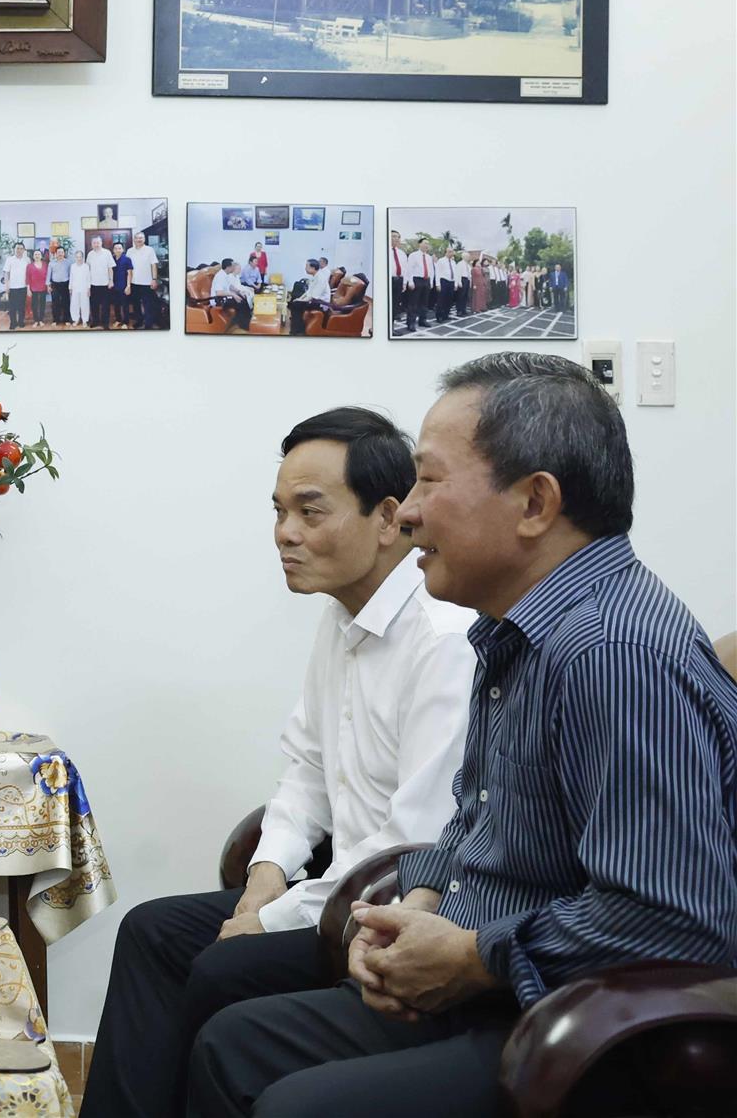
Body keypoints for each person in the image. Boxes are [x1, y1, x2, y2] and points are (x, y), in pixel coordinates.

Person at [188, 354, 737, 1118]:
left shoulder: (611, 652)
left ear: (534, 503)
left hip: (565, 1022)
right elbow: (470, 819)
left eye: (429, 481)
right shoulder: (510, 629)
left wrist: (475, 958)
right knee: (231, 1041)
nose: (406, 512)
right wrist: (410, 916)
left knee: (294, 1103)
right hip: (486, 980)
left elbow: (671, 916)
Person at [86, 407, 474, 1118]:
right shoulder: (342, 618)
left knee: (221, 966)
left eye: (310, 511)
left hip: (390, 912)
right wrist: (260, 890)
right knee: (150, 930)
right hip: (330, 895)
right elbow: (304, 777)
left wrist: (264, 924)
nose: (285, 534)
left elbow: (414, 843)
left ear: (388, 518)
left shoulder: (444, 638)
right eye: (279, 511)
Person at [208, 257, 254, 333]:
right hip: (218, 300)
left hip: (224, 297)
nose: (234, 267)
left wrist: (239, 291)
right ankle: (245, 325)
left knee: (243, 298)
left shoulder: (226, 274)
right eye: (233, 266)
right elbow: (219, 293)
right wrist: (234, 295)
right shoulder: (220, 276)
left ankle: (247, 322)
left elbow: (230, 286)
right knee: (241, 303)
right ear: (228, 267)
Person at [287, 259, 329, 335]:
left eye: (307, 266)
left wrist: (299, 301)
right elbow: (308, 292)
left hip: (320, 303)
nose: (305, 268)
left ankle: (297, 330)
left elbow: (313, 297)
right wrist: (300, 299)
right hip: (314, 300)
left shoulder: (320, 278)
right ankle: (298, 327)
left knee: (295, 305)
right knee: (294, 302)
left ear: (313, 268)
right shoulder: (315, 276)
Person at [130, 232, 160, 329]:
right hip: (133, 282)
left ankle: (148, 324)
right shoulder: (130, 251)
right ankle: (139, 320)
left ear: (144, 239)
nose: (139, 240)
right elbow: (128, 268)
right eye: (137, 238)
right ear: (134, 239)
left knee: (148, 305)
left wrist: (154, 279)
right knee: (136, 304)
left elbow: (154, 265)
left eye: (141, 238)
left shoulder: (150, 250)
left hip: (147, 282)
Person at [88, 238, 115, 330]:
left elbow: (110, 268)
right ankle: (95, 321)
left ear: (101, 243)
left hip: (105, 284)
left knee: (105, 305)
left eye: (98, 242)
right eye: (94, 243)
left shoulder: (107, 253)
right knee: (94, 305)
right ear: (92, 244)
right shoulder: (90, 254)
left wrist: (111, 280)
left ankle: (105, 323)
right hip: (93, 284)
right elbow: (88, 269)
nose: (96, 244)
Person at [387, 231, 408, 332]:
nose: (396, 239)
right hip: (387, 281)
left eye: (398, 237)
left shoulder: (402, 253)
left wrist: (404, 283)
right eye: (393, 236)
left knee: (394, 305)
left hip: (398, 281)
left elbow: (405, 269)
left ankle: (391, 328)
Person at [49, 246, 72, 325]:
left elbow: (71, 275)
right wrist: (48, 286)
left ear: (64, 253)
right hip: (55, 285)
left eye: (62, 252)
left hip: (65, 284)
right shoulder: (51, 263)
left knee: (66, 302)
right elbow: (48, 275)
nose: (60, 254)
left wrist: (70, 286)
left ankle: (67, 319)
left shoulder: (68, 262)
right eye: (58, 252)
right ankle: (56, 320)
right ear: (56, 254)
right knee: (55, 303)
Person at [68, 249, 91, 328]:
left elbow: (88, 278)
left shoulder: (86, 266)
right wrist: (70, 288)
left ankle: (85, 320)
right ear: (75, 257)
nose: (79, 258)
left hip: (84, 288)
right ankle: (76, 319)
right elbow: (71, 277)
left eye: (80, 257)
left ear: (83, 257)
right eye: (77, 257)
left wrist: (89, 288)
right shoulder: (73, 266)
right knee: (74, 304)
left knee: (85, 304)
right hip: (75, 288)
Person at [25, 251, 48, 326]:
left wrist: (48, 286)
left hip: (43, 287)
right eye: (35, 254)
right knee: (34, 305)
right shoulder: (29, 266)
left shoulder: (45, 265)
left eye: (38, 254)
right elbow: (27, 278)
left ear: (41, 256)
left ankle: (41, 320)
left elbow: (48, 276)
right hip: (33, 288)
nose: (37, 256)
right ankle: (36, 320)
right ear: (33, 256)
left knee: (42, 304)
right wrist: (28, 289)